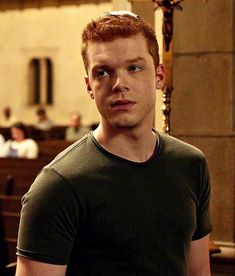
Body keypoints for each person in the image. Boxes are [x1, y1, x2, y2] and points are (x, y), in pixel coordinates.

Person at [16, 11, 212, 276]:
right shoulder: (57, 186)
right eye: (103, 72)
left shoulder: (191, 164)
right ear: (89, 86)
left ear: (158, 76)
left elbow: (198, 271)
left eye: (134, 67)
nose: (119, 84)